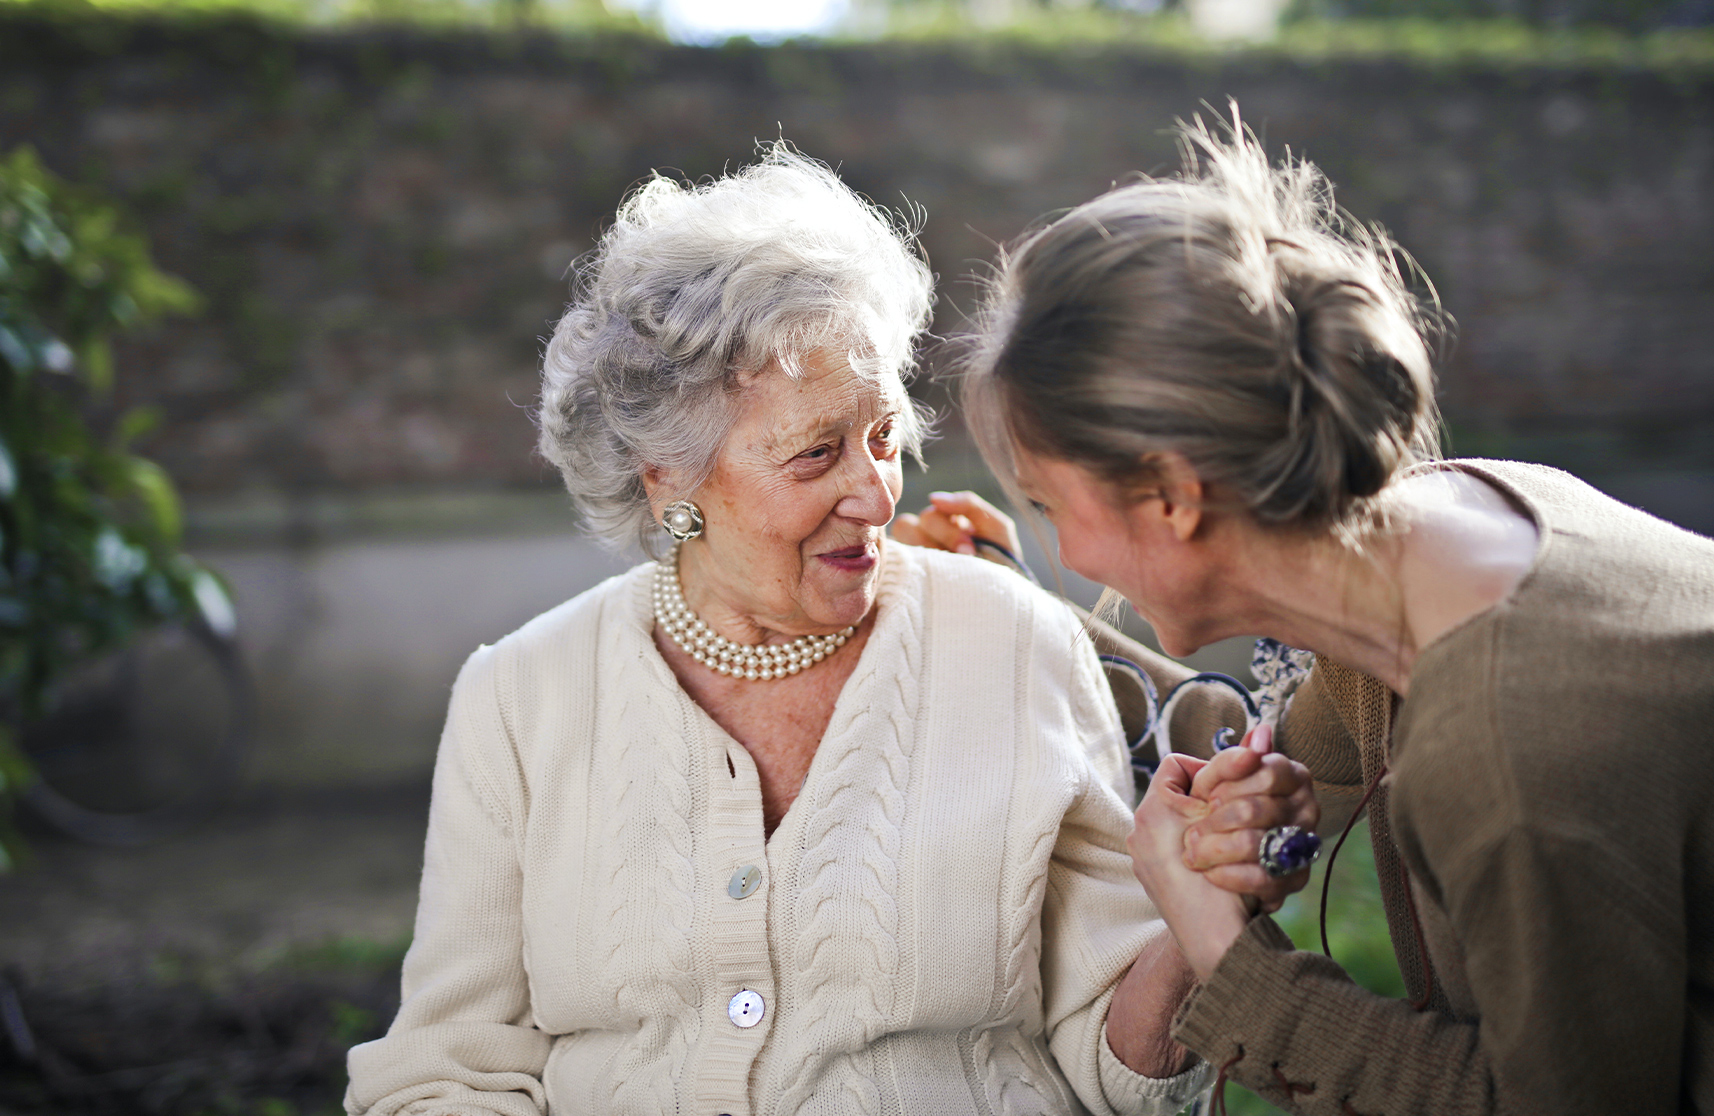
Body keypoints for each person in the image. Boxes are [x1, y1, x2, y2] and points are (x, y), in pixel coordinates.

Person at [343, 146, 1230, 1116]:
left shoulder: (1015, 645)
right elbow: (449, 1070)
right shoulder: (519, 699)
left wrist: (1193, 921)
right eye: (816, 454)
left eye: (884, 437)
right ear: (667, 477)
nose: (876, 491)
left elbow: (1118, 1076)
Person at [946, 116, 1714, 1115]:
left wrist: (1226, 955)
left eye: (1047, 507)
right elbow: (1282, 754)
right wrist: (993, 594)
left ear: (1173, 496)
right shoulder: (1454, 522)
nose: (1068, 553)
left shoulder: (1506, 751)